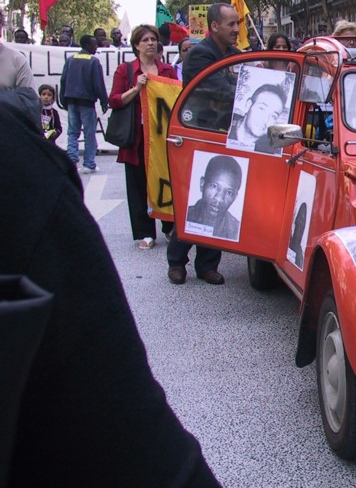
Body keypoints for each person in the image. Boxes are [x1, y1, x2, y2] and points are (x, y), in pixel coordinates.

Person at [0, 104, 220, 488]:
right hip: (153, 147)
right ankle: (177, 259)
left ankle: (201, 263)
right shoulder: (18, 169)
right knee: (180, 212)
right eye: (147, 37)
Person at [167, 2, 241, 286]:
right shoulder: (199, 56)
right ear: (214, 26)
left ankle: (207, 265)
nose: (236, 30)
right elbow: (223, 93)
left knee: (220, 202)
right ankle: (177, 262)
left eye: (237, 23)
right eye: (231, 24)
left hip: (224, 136)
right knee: (196, 202)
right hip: (198, 136)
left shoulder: (236, 56)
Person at [109, 25, 178, 250]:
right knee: (138, 185)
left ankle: (169, 227)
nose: (150, 43)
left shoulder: (167, 70)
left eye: (153, 39)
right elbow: (115, 100)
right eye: (145, 39)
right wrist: (136, 88)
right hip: (137, 138)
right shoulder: (126, 70)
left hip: (162, 138)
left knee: (166, 180)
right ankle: (145, 233)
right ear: (136, 45)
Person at [59, 34, 108, 174]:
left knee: (73, 133)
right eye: (94, 44)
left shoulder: (70, 60)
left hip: (71, 101)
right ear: (87, 45)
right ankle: (89, 163)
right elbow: (99, 84)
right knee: (89, 133)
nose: (96, 47)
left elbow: (63, 81)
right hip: (87, 102)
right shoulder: (93, 61)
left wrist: (63, 99)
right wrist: (104, 101)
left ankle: (72, 161)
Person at [184, 155, 243, 241]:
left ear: (235, 197)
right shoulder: (184, 216)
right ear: (202, 184)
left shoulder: (236, 230)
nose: (219, 199)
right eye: (214, 186)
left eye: (229, 192)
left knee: (210, 253)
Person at [227, 83, 287, 154]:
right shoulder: (226, 125)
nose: (265, 119)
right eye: (262, 109)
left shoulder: (272, 151)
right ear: (248, 105)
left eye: (273, 116)